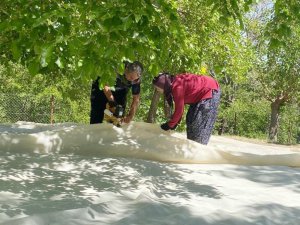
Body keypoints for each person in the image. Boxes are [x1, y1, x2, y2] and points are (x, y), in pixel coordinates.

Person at [152, 72, 221, 145]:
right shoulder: (175, 82)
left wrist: (169, 125)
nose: (158, 90)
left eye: (158, 88)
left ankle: (197, 150)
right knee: (190, 120)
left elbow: (179, 110)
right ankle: (193, 147)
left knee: (198, 125)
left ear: (163, 85)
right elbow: (179, 108)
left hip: (210, 90)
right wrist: (175, 122)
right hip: (200, 96)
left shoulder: (177, 87)